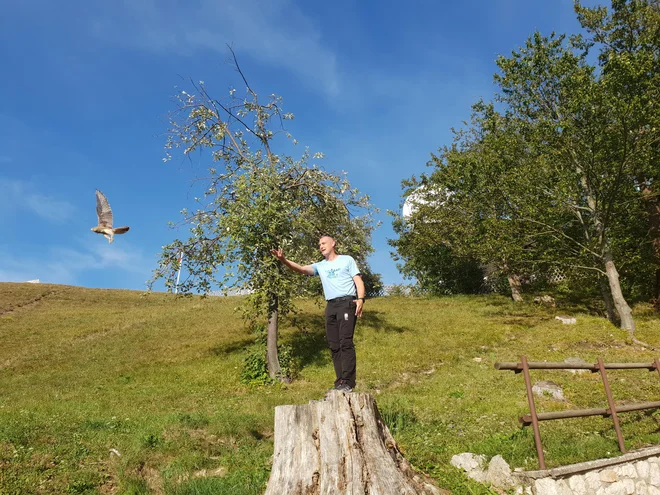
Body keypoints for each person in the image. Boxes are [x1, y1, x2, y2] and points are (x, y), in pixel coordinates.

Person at [271, 235, 365, 393]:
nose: (321, 246)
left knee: (345, 342)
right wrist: (284, 260)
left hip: (347, 303)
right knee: (334, 345)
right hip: (331, 306)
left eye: (323, 243)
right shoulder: (320, 266)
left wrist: (361, 299)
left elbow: (358, 280)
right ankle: (340, 381)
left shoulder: (347, 260)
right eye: (319, 244)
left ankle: (349, 381)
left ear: (333, 243)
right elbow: (301, 269)